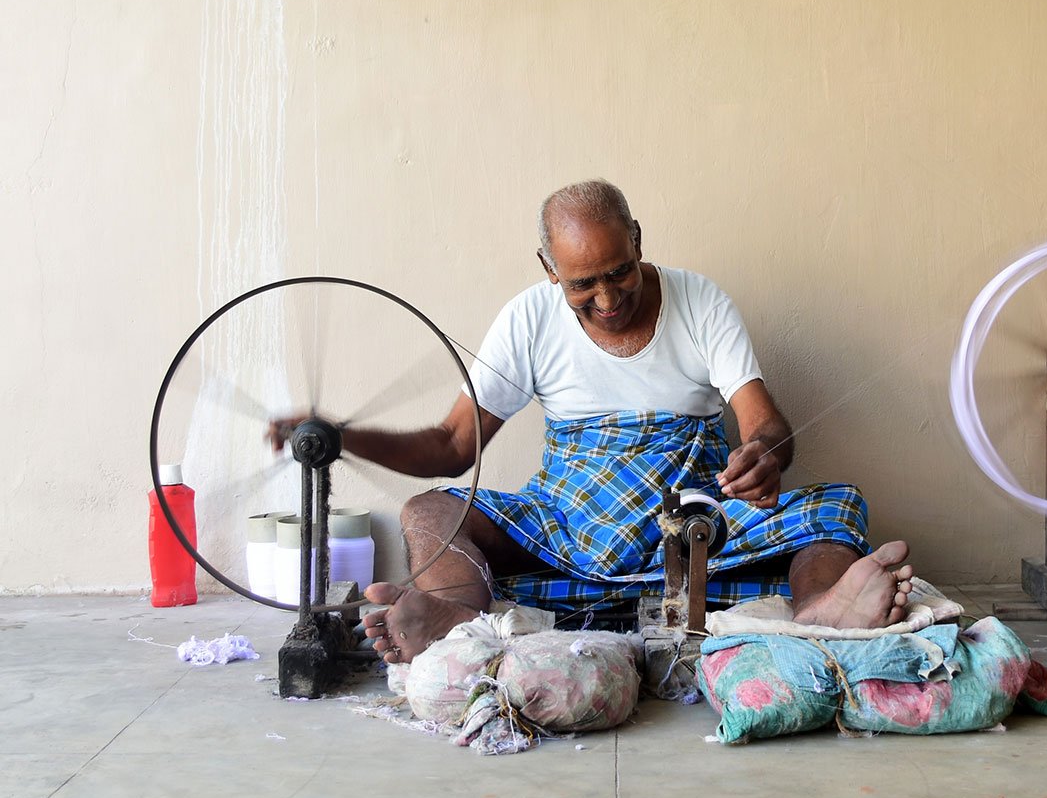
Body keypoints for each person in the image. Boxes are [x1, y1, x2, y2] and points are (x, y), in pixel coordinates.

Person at [275, 180, 914, 663]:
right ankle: (456, 622)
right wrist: (341, 435)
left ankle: (822, 612)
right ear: (548, 268)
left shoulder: (700, 302)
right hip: (568, 518)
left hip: (693, 518)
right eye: (583, 285)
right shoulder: (528, 318)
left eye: (620, 273)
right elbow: (451, 447)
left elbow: (765, 424)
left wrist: (764, 456)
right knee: (429, 513)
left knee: (833, 510)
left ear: (638, 239)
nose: (607, 299)